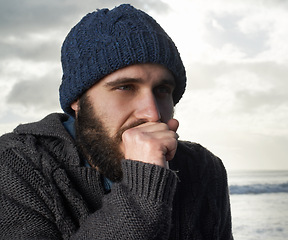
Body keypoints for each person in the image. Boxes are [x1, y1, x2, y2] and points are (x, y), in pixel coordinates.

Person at [0, 4, 233, 240]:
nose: (152, 114)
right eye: (125, 87)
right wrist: (143, 188)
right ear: (77, 100)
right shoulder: (14, 164)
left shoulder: (203, 168)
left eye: (162, 90)